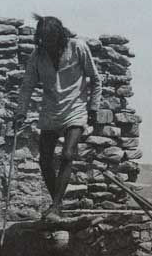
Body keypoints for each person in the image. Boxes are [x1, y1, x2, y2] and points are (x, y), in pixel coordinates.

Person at [15, 15, 102, 221]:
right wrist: (21, 112)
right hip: (51, 110)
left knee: (67, 154)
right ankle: (58, 203)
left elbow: (95, 79)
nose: (48, 46)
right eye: (43, 41)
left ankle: (54, 206)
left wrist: (93, 108)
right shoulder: (37, 56)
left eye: (51, 41)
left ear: (59, 37)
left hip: (76, 108)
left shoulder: (78, 48)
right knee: (44, 159)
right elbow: (27, 86)